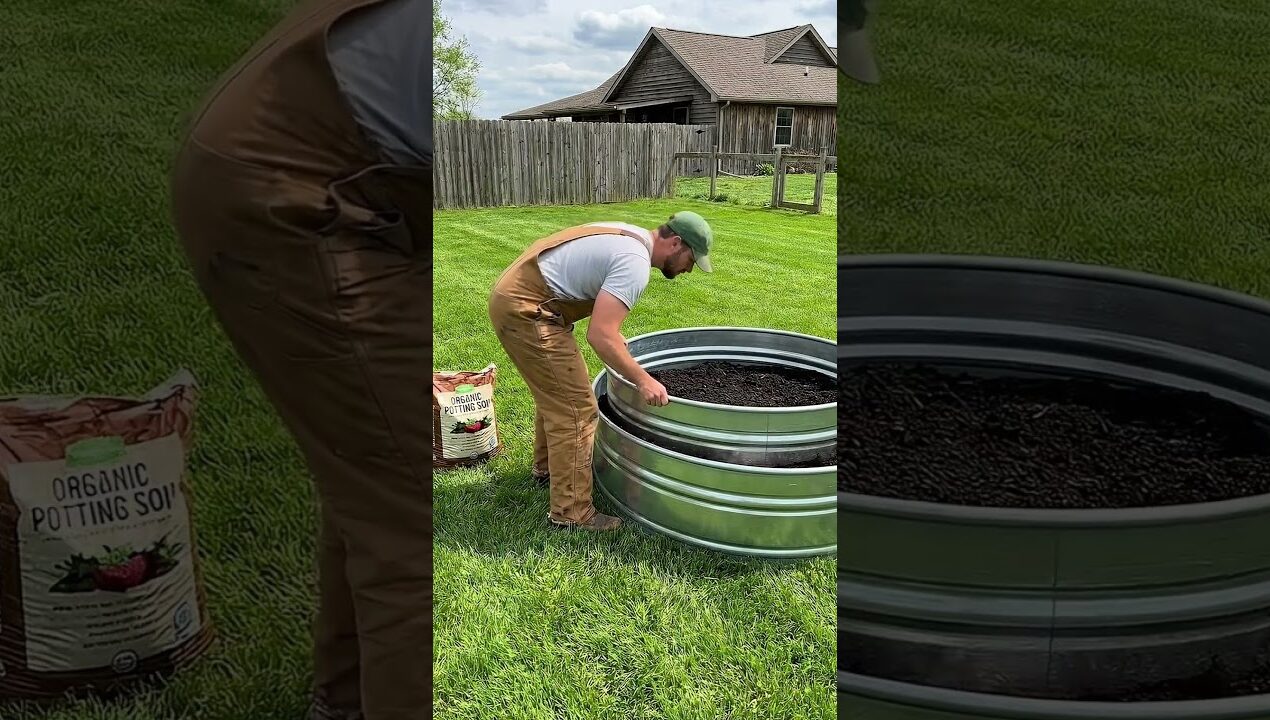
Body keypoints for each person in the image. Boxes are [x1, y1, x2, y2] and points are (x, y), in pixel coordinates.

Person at [168, 1, 432, 718]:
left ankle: (344, 702)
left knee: (377, 477)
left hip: (298, 157)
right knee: (419, 516)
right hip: (288, 197)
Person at [488, 212, 714, 532]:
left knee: (557, 395)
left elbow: (594, 303)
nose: (689, 269)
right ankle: (572, 514)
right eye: (691, 259)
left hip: (521, 299)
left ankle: (549, 470)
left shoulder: (630, 234)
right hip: (529, 311)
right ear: (676, 243)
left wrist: (612, 339)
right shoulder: (634, 262)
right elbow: (600, 335)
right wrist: (644, 379)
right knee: (577, 410)